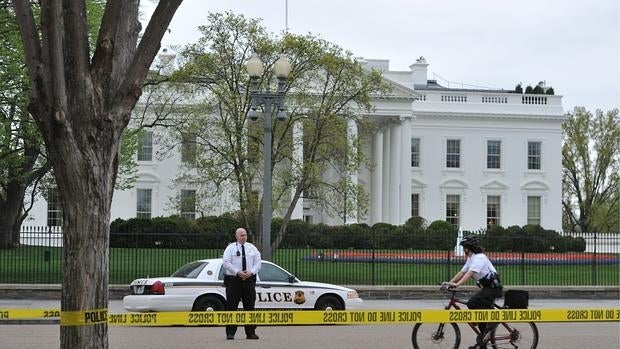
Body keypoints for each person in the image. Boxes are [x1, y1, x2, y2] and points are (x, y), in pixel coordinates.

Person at [443, 235, 502, 349]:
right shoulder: (471, 258)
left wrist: (457, 284)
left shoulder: (480, 257)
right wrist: (449, 283)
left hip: (493, 288)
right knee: (481, 316)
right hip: (487, 288)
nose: (464, 250)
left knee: (472, 303)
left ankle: (494, 320)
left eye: (465, 247)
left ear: (468, 248)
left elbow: (470, 273)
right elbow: (462, 272)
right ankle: (483, 340)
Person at [222, 227, 262, 340]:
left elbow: (258, 263)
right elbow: (226, 263)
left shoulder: (252, 248)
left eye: (245, 235)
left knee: (250, 306)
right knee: (231, 307)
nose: (244, 237)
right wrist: (237, 272)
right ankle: (230, 333)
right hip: (234, 280)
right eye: (241, 235)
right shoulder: (230, 248)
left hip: (249, 280)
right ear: (236, 236)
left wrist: (251, 272)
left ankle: (250, 332)